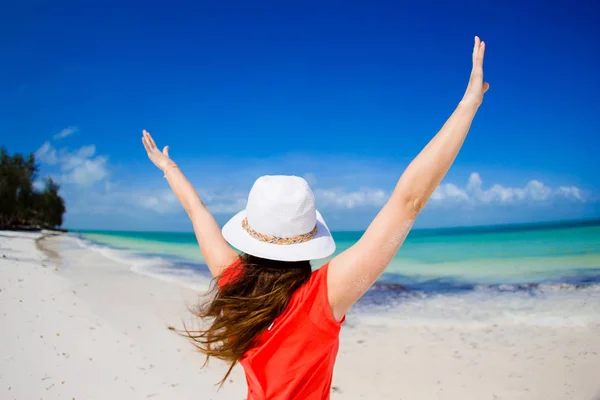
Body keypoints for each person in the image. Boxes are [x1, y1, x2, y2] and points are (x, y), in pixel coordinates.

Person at [141, 36, 489, 400]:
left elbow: (197, 211)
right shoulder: (323, 297)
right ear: (308, 238)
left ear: (250, 232)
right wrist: (468, 105)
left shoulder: (235, 288)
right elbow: (409, 201)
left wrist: (169, 167)